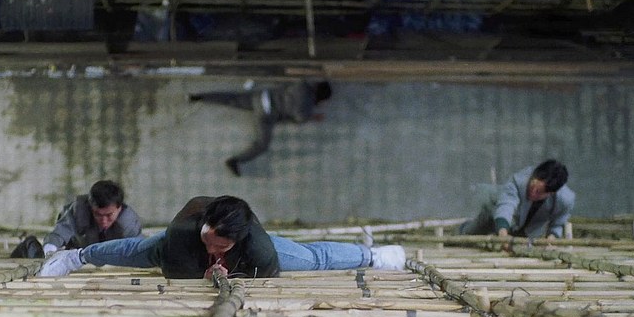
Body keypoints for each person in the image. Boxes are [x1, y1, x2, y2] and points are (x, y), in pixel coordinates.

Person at [38, 195, 406, 278]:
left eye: (222, 245)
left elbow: (266, 276)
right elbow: (175, 272)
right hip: (183, 250)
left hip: (243, 259)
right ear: (205, 225)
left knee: (312, 258)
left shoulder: (258, 246)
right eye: (210, 238)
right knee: (137, 250)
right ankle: (76, 257)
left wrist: (235, 272)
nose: (214, 247)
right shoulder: (181, 235)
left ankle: (374, 256)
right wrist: (204, 272)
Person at [188, 80, 332, 176]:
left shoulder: (302, 84)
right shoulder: (306, 111)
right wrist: (313, 117)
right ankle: (235, 161)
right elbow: (293, 120)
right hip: (266, 114)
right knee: (262, 145)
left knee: (232, 99)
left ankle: (199, 97)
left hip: (262, 96)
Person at [10, 180, 142, 258]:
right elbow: (58, 235)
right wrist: (48, 254)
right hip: (75, 257)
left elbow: (139, 250)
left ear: (119, 208)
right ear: (90, 207)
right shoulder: (79, 211)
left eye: (109, 215)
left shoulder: (129, 223)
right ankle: (29, 244)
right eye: (98, 214)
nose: (103, 221)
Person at [459, 159, 575, 240]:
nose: (533, 193)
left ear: (551, 193)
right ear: (533, 176)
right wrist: (503, 233)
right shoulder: (518, 181)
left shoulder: (565, 200)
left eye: (539, 192)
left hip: (528, 232)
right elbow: (506, 205)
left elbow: (557, 223)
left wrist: (551, 239)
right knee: (471, 233)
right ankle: (462, 230)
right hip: (497, 217)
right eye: (532, 187)